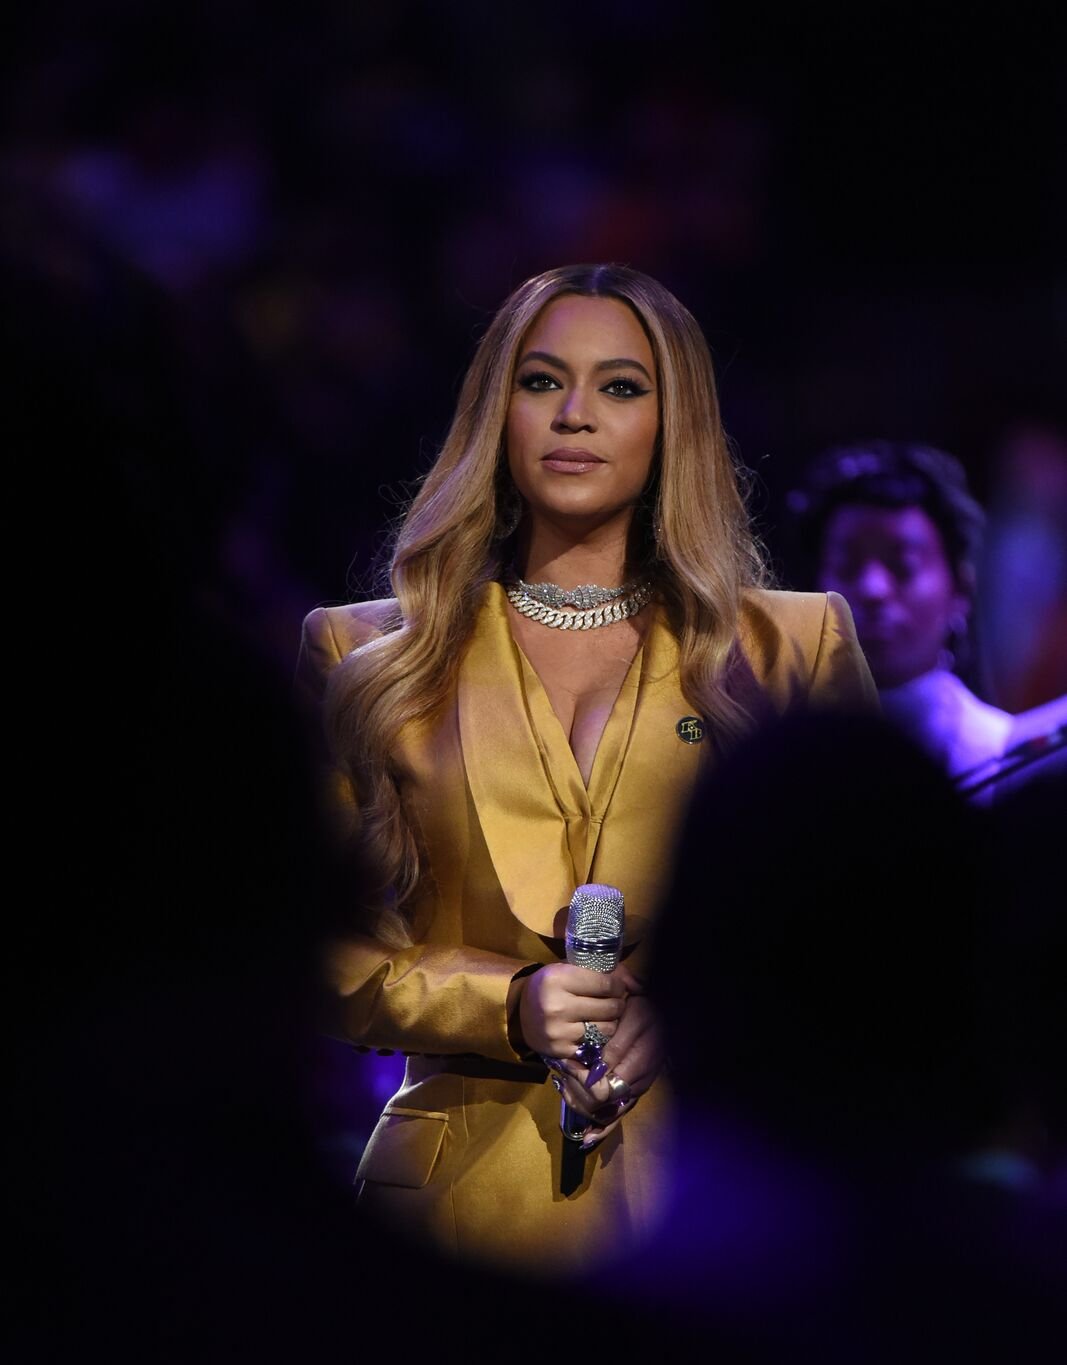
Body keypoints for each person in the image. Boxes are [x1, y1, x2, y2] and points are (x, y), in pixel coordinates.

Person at [297, 262, 877, 1274]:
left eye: (618, 386)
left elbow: (872, 947)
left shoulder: (792, 648)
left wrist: (702, 1017)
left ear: (672, 423)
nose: (573, 415)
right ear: (496, 410)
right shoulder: (363, 658)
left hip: (721, 1224)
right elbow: (309, 954)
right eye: (539, 381)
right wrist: (507, 1005)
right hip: (448, 1224)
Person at [784, 439, 1067, 796]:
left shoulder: (1016, 760)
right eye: (847, 566)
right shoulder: (768, 760)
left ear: (960, 590)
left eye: (904, 566)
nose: (873, 589)